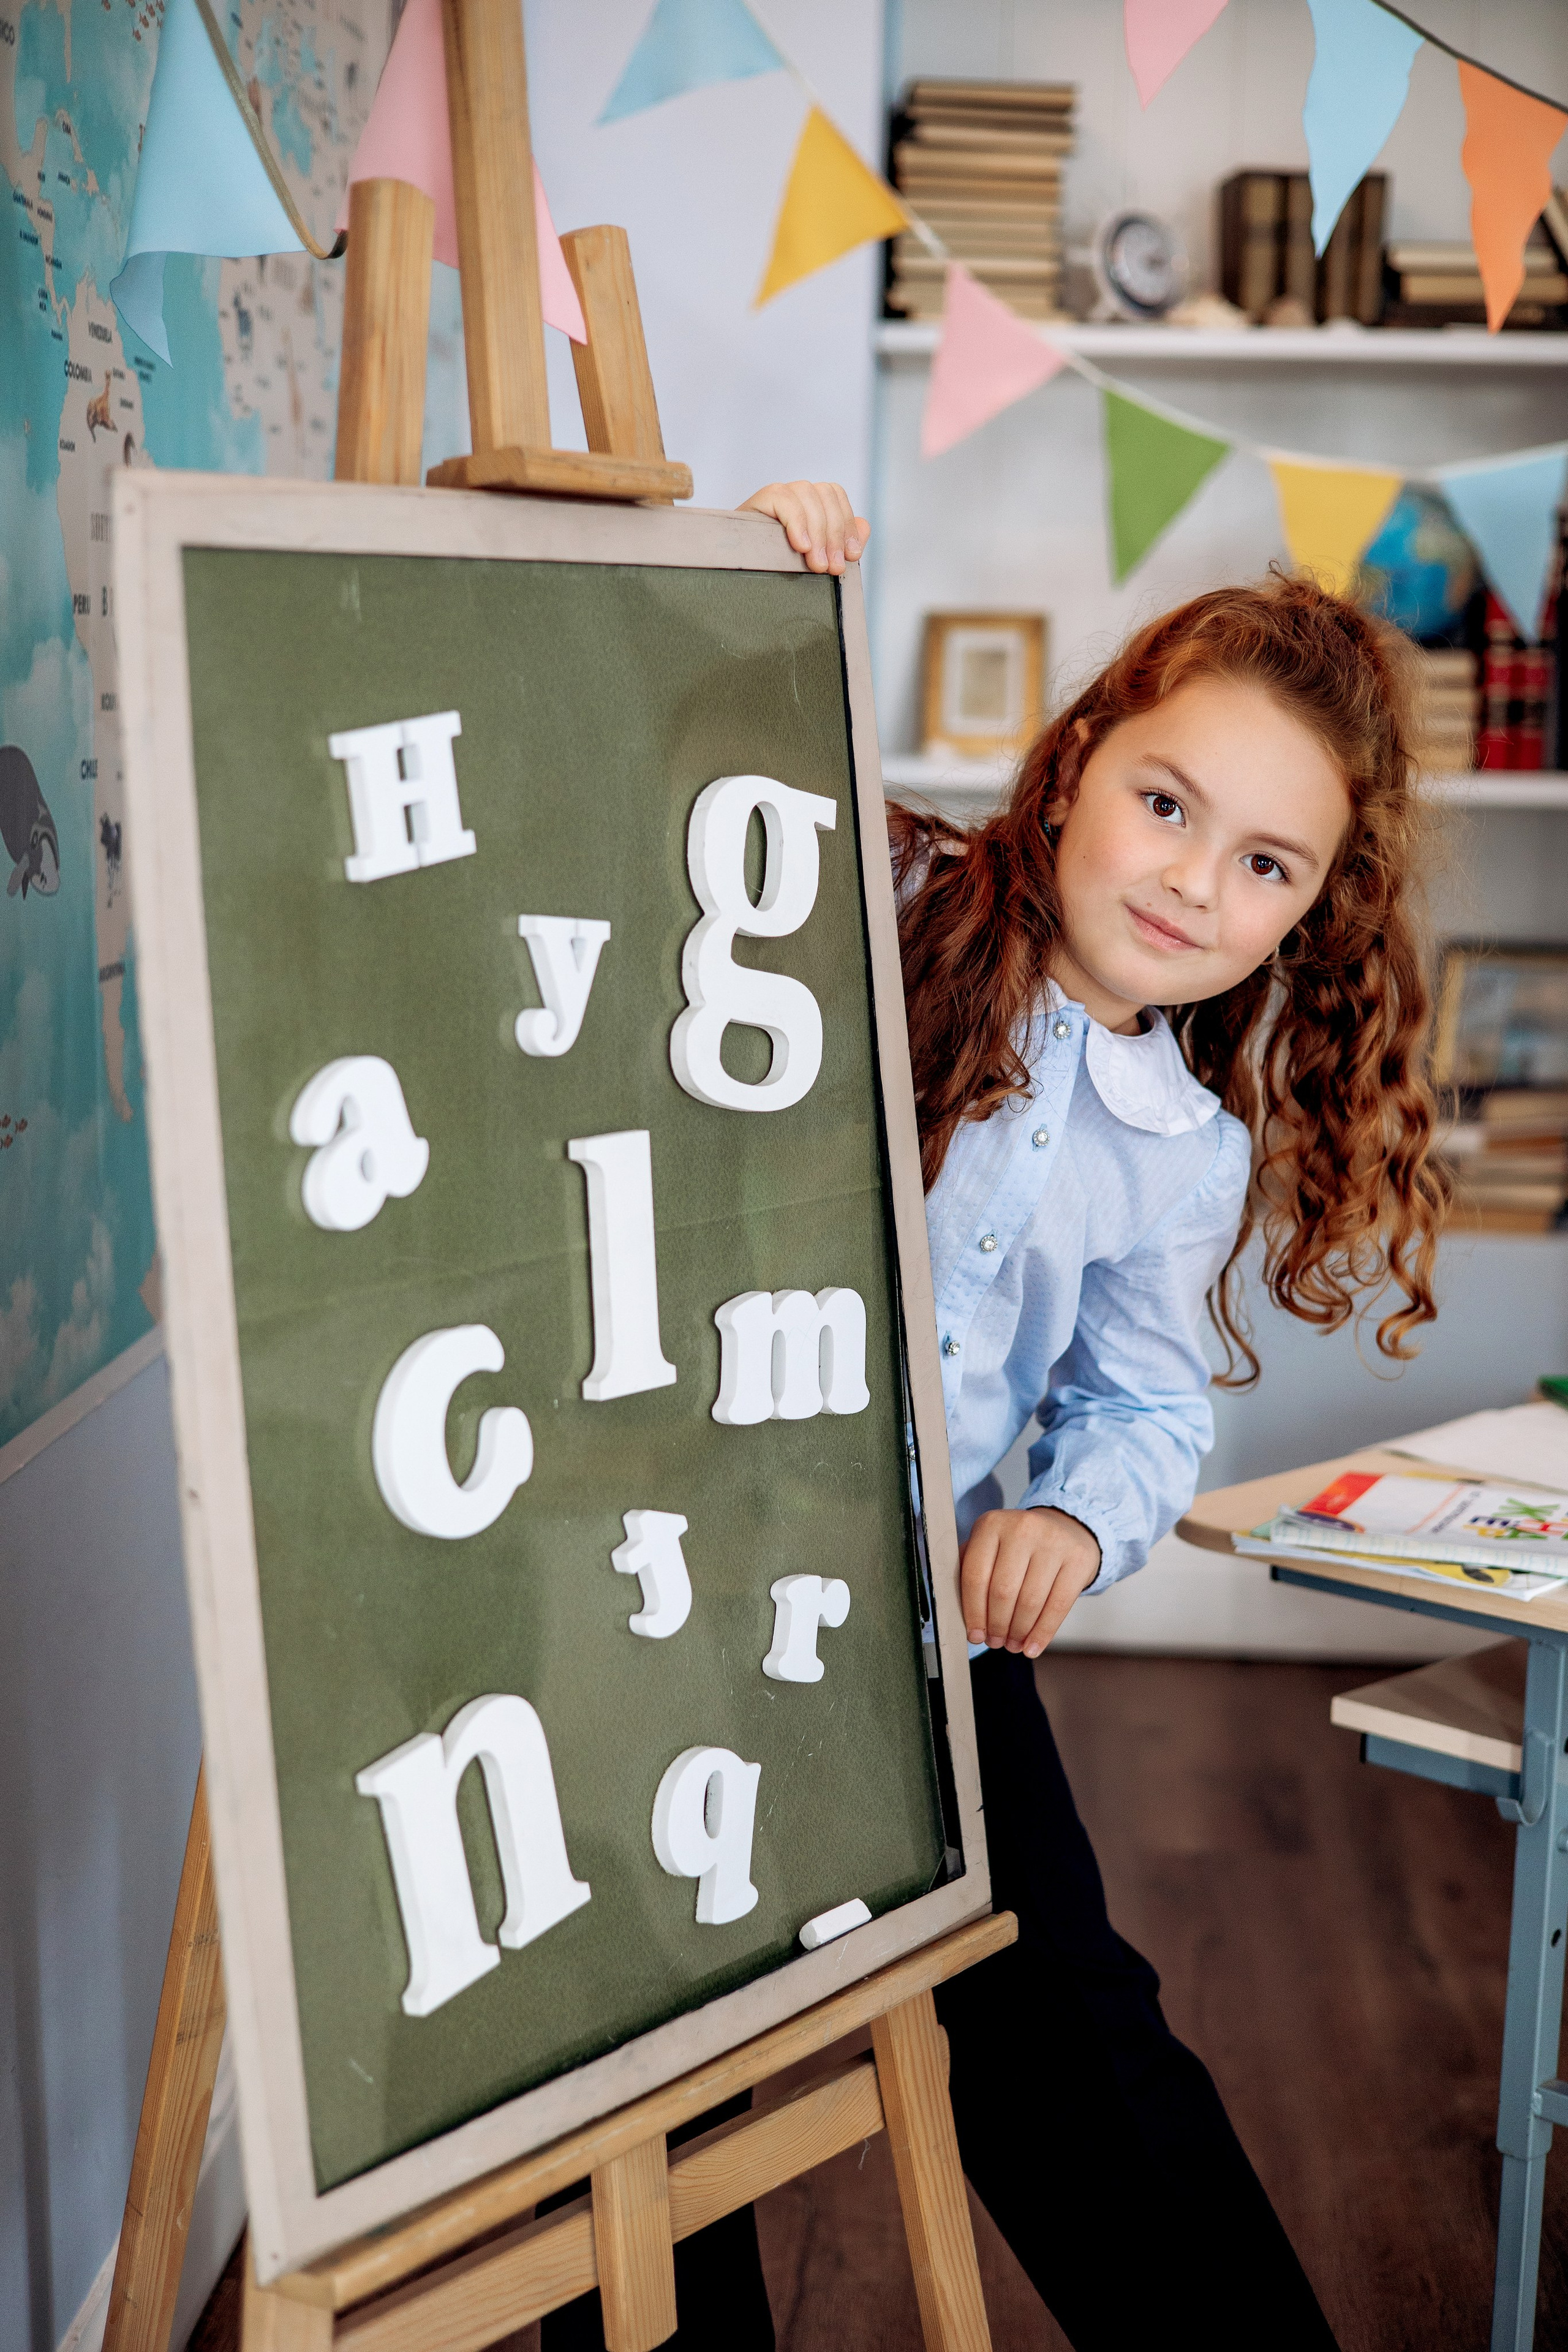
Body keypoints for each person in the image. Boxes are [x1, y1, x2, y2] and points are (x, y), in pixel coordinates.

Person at [545, 481, 1448, 2350]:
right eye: (1168, 804)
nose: (1194, 883)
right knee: (659, 2055)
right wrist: (760, 576)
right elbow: (703, 788)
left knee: (1062, 2020)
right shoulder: (884, 906)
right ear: (1081, 752)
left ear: (1309, 914)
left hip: (924, 1630)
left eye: (1266, 866)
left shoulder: (1181, 1151)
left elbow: (1142, 1395)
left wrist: (1075, 1517)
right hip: (667, 1582)